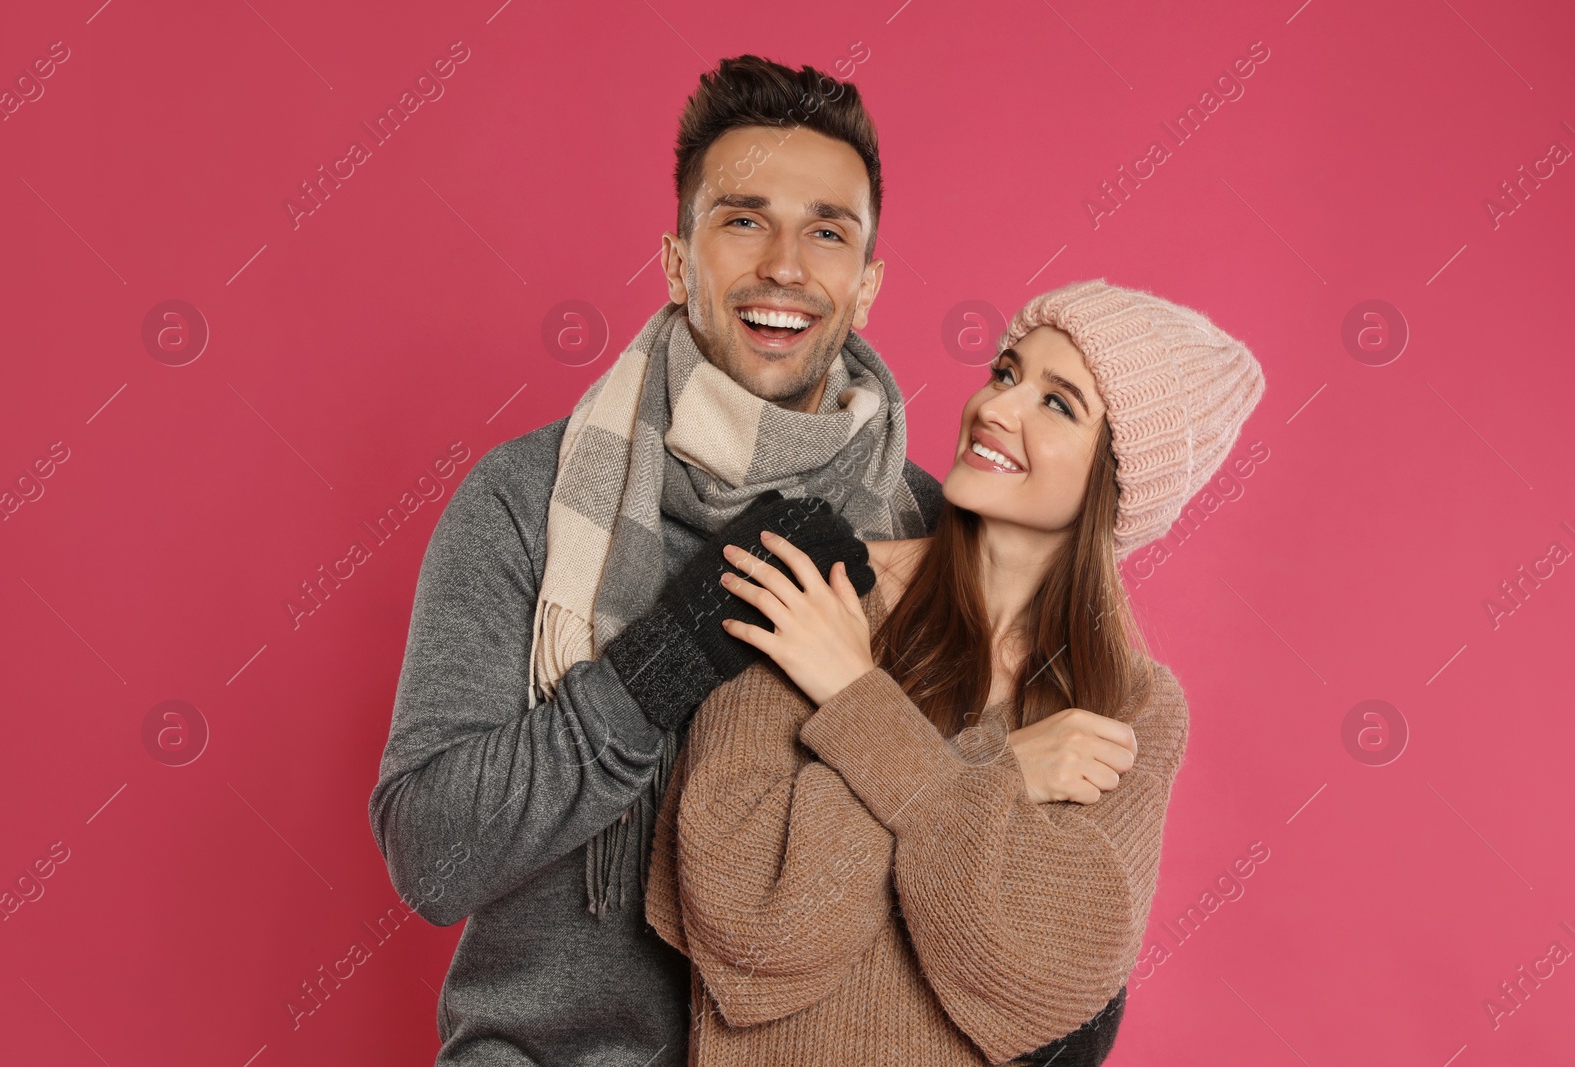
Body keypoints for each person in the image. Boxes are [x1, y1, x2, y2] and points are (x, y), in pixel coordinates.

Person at [366, 55, 947, 1066]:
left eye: (826, 231)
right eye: (741, 219)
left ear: (865, 284)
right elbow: (432, 854)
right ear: (679, 262)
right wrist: (662, 658)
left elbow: (980, 840)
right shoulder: (527, 498)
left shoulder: (927, 532)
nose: (784, 264)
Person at [643, 278, 1267, 1065]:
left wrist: (855, 698)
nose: (996, 409)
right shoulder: (817, 582)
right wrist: (999, 772)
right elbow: (752, 919)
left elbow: (1043, 980)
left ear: (1119, 480)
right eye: (1006, 373)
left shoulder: (1135, 706)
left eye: (1058, 402)